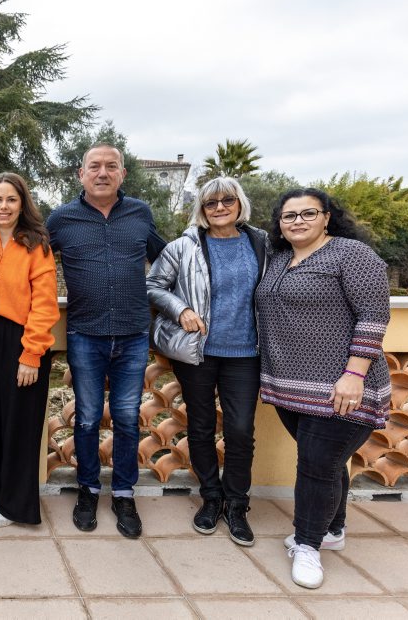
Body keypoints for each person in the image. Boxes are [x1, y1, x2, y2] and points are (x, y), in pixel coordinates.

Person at [256, 188, 390, 589]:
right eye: (288, 215)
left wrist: (354, 374)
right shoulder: (278, 259)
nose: (297, 221)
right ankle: (333, 529)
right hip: (290, 388)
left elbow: (374, 316)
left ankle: (307, 544)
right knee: (327, 463)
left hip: (341, 387)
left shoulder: (352, 254)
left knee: (316, 465)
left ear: (327, 217)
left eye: (308, 213)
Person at [46, 144, 166, 538]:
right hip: (84, 333)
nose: (102, 173)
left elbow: (166, 259)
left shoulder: (140, 213)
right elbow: (33, 261)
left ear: (122, 174)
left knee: (128, 418)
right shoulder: (61, 218)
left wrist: (180, 303)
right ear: (80, 174)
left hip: (133, 333)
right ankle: (88, 489)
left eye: (110, 166)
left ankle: (124, 494)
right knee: (86, 417)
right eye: (94, 166)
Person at [146, 177, 268, 546]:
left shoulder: (262, 243)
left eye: (226, 200)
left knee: (240, 431)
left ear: (239, 203)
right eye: (210, 203)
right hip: (197, 352)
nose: (219, 208)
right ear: (201, 209)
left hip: (246, 353)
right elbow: (153, 285)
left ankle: (237, 504)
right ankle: (211, 498)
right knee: (200, 427)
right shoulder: (183, 247)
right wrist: (180, 309)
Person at [0, 173, 59, 528]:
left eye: (11, 199)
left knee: (19, 426)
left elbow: (45, 305)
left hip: (23, 340)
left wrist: (31, 354)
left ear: (22, 204)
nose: (4, 206)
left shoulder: (37, 246)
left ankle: (17, 506)